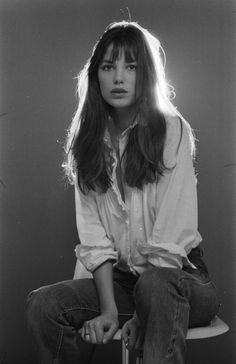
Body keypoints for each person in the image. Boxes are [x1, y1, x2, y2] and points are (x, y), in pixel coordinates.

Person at [26, 21, 220, 364]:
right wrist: (108, 311)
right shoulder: (88, 144)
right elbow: (94, 240)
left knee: (155, 285)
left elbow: (170, 239)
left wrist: (144, 316)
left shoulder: (172, 130)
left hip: (181, 284)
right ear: (95, 76)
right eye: (108, 66)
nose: (119, 77)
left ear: (145, 75)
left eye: (131, 67)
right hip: (122, 285)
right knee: (44, 305)